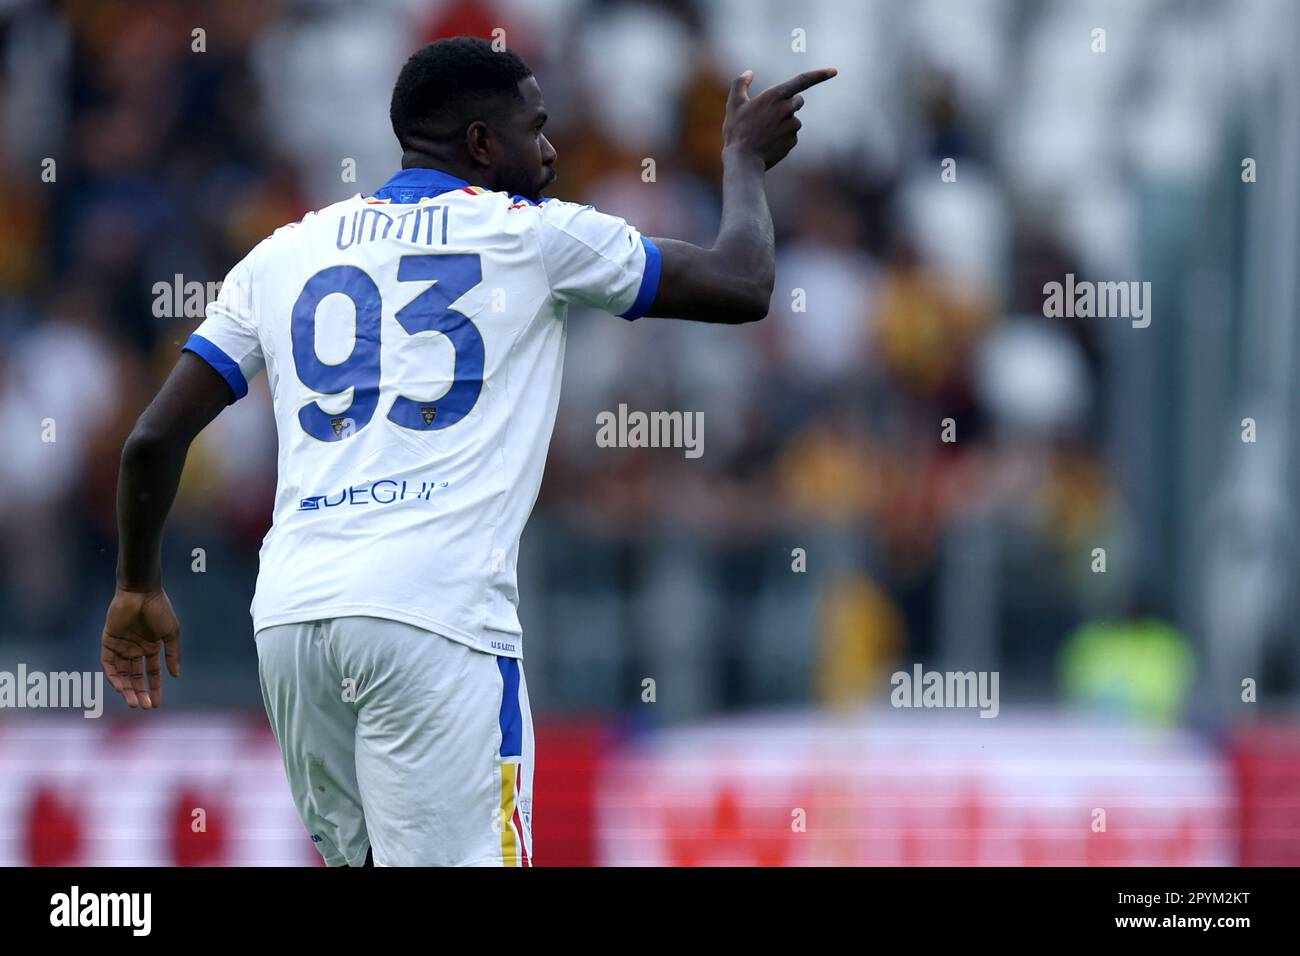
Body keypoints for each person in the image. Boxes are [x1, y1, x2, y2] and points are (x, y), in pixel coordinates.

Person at [100, 35, 835, 867]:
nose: (552, 150)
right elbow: (743, 283)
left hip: (295, 619)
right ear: (483, 144)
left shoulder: (283, 253)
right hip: (434, 616)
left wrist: (137, 585)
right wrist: (741, 159)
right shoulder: (533, 235)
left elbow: (152, 439)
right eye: (537, 126)